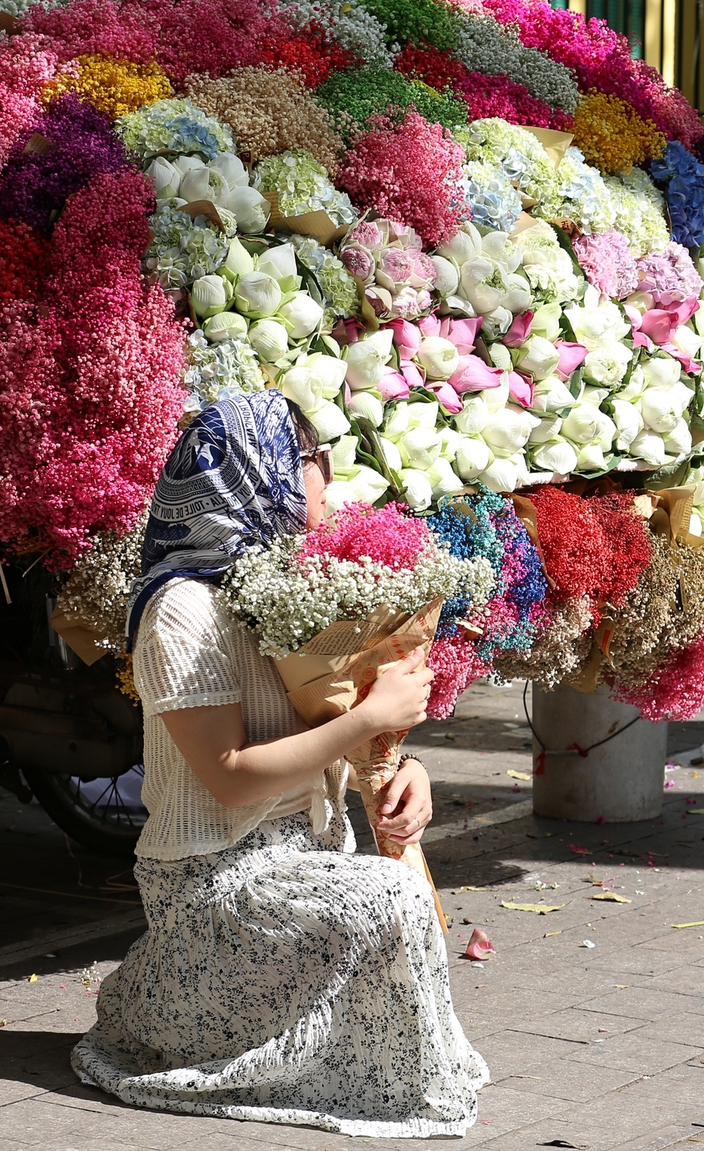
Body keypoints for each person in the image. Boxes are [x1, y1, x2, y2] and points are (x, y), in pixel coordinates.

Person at [72, 391, 490, 1135]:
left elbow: (335, 724)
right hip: (216, 881)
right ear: (255, 471)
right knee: (387, 901)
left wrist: (402, 766)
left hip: (307, 856)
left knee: (393, 893)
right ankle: (179, 1009)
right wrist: (369, 717)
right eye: (312, 459)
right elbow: (229, 776)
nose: (328, 476)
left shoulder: (291, 588)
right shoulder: (183, 610)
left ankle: (355, 1066)